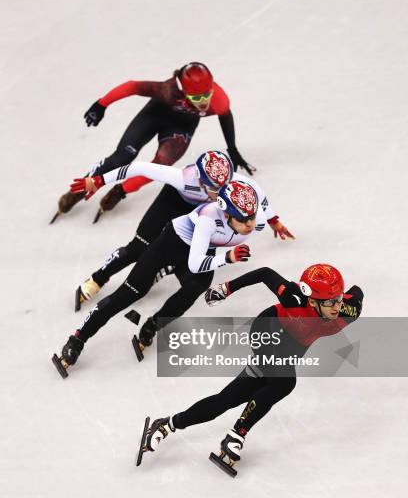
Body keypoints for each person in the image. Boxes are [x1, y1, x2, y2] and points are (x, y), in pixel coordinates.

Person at [139, 264, 364, 476]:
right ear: (312, 301)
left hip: (290, 349)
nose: (336, 306)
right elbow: (265, 273)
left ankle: (168, 423)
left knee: (226, 400)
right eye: (329, 302)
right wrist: (226, 289)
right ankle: (237, 435)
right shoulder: (293, 297)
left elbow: (357, 293)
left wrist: (341, 293)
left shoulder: (347, 311)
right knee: (285, 382)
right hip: (267, 330)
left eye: (337, 300)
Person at [52, 180, 267, 378]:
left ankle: (153, 325)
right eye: (243, 219)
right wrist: (227, 258)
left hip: (200, 250)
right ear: (227, 214)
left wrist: (274, 221)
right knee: (129, 294)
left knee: (197, 285)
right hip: (171, 246)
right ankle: (78, 339)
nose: (249, 224)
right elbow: (195, 264)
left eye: (252, 216)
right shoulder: (208, 220)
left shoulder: (252, 221)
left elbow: (263, 206)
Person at [70, 150, 294, 311]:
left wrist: (273, 220)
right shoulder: (183, 178)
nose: (222, 192)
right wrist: (99, 180)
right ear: (201, 180)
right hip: (174, 201)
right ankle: (97, 278)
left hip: (199, 215)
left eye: (225, 185)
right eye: (215, 189)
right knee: (138, 248)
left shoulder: (232, 183)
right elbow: (139, 168)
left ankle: (162, 268)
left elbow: (260, 197)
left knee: (184, 254)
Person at [52, 62, 254, 222]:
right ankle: (80, 189)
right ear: (183, 91)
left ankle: (120, 190)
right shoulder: (168, 90)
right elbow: (132, 86)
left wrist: (232, 148)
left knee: (161, 165)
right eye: (196, 96)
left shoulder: (218, 98)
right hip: (154, 115)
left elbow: (225, 116)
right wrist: (101, 103)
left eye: (206, 94)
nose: (203, 101)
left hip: (181, 128)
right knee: (122, 157)